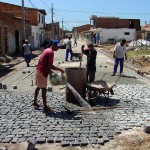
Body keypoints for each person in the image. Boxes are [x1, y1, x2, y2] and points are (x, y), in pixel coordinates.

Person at [33, 40, 64, 112]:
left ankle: (35, 102)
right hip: (42, 72)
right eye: (57, 47)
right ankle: (45, 107)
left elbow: (45, 63)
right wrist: (60, 70)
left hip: (39, 70)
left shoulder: (47, 50)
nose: (58, 48)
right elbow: (50, 65)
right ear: (53, 45)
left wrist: (50, 71)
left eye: (59, 47)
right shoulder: (51, 52)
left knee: (38, 87)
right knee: (43, 89)